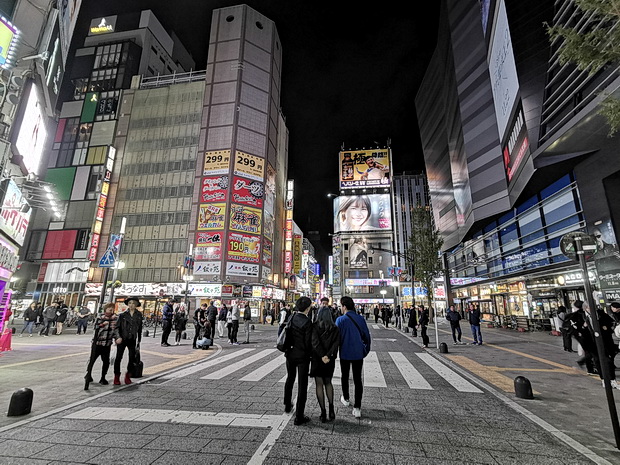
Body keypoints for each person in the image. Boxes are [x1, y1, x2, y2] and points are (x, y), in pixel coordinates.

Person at [336, 296, 371, 419]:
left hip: (344, 353)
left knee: (344, 376)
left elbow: (337, 338)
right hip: (358, 353)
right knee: (357, 379)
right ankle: (357, 407)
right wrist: (364, 351)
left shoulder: (340, 320)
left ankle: (345, 398)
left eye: (341, 306)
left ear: (344, 306)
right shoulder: (360, 319)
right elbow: (367, 337)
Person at [283, 296, 313, 425]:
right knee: (302, 384)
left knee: (290, 378)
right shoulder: (307, 322)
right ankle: (299, 416)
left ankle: (287, 404)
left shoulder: (292, 317)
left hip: (290, 353)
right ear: (307, 308)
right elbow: (308, 342)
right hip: (303, 356)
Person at [310, 306, 340, 423]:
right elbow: (336, 344)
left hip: (317, 359)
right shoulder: (335, 328)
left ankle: (323, 412)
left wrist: (322, 355)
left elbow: (315, 342)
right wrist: (328, 355)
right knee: (328, 382)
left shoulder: (315, 326)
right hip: (329, 359)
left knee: (319, 384)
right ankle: (331, 408)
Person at [84, 303, 120, 390]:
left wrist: (117, 338)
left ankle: (103, 377)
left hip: (107, 344)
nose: (111, 311)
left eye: (112, 309)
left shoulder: (115, 319)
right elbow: (95, 328)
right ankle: (88, 375)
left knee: (106, 361)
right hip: (97, 343)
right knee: (92, 360)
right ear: (105, 310)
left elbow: (115, 330)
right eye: (109, 309)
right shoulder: (100, 318)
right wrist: (103, 325)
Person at [563, 300, 598, 376]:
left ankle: (589, 367)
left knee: (589, 352)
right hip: (584, 336)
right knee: (592, 352)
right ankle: (589, 367)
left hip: (580, 336)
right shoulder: (580, 315)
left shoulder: (573, 315)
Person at [114, 297, 143, 385]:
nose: (131, 305)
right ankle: (116, 376)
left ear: (136, 305)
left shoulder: (139, 315)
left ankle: (128, 375)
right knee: (118, 358)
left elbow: (140, 329)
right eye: (130, 303)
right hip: (122, 339)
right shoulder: (122, 315)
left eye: (133, 303)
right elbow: (116, 328)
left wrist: (138, 342)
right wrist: (118, 337)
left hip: (132, 339)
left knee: (132, 358)